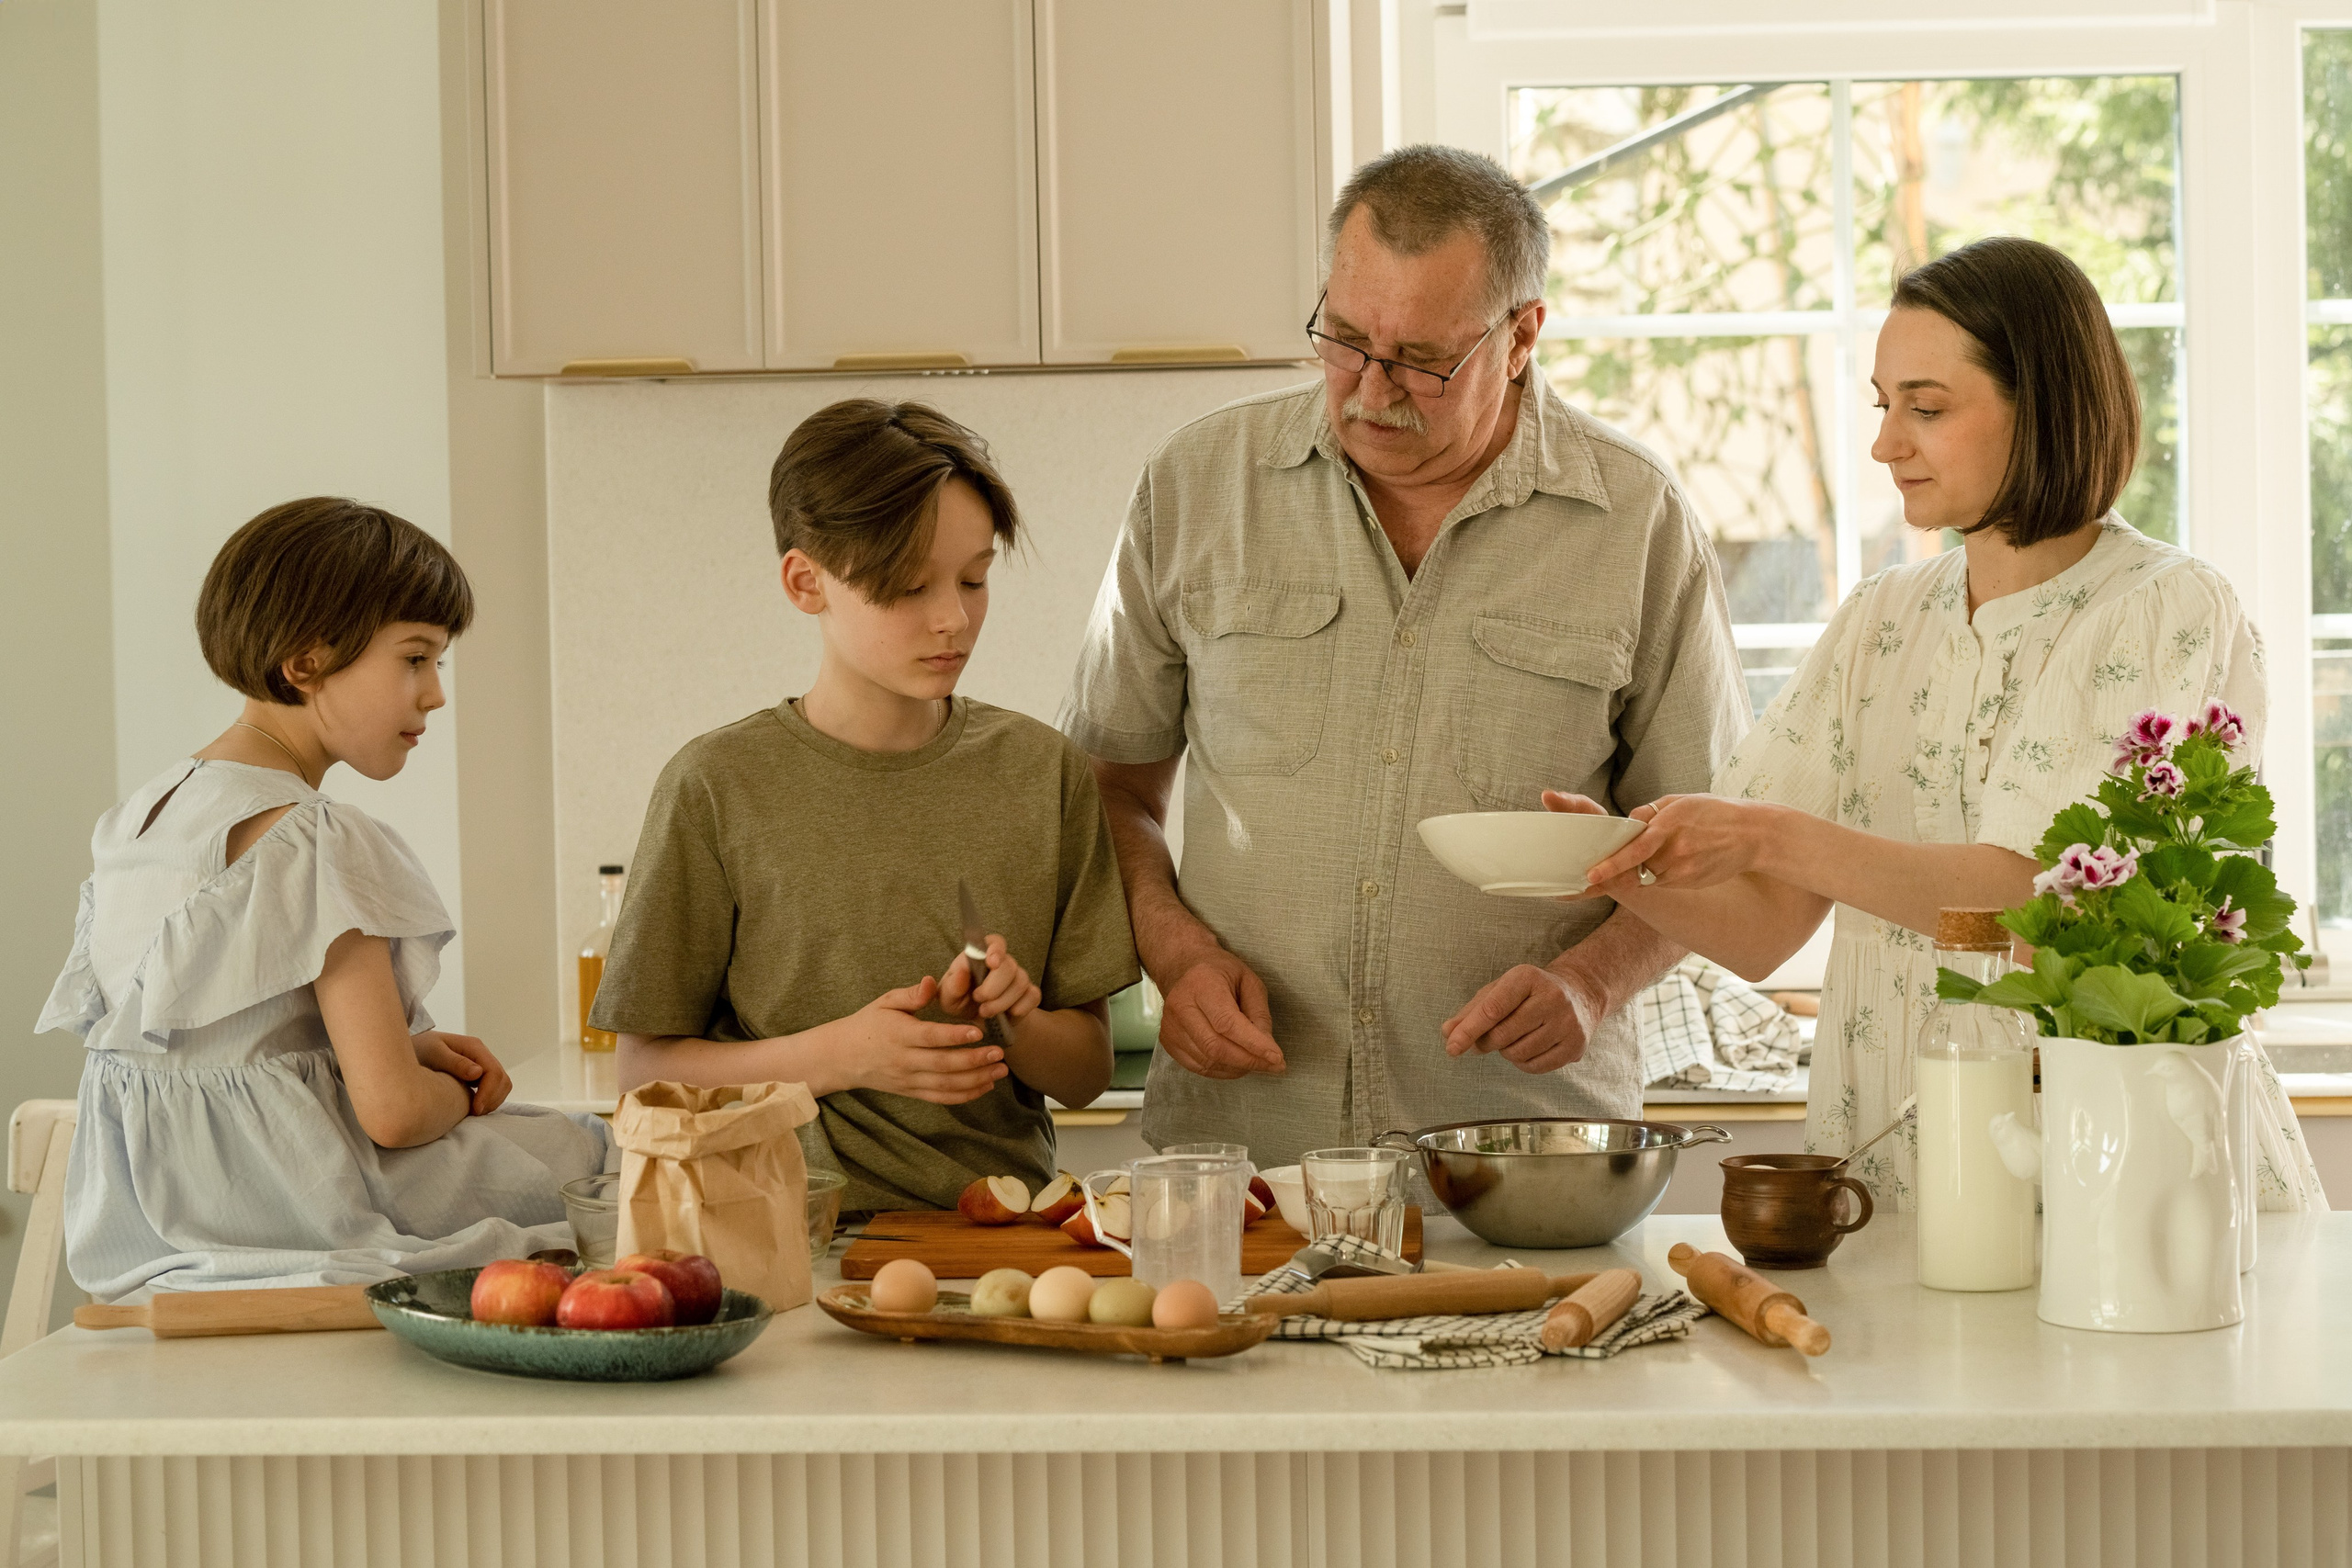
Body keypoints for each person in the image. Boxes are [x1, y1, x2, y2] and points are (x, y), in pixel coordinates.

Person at [1552, 235, 2327, 1210]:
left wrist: (1762, 831)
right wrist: (1597, 857)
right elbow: (1760, 928)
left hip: (2106, 1156)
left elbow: (2020, 904)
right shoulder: (1881, 619)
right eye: (1884, 408)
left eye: (1925, 408)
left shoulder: (2161, 606)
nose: (1885, 444)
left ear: (2041, 404)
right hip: (1903, 1162)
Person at [1062, 146, 1749, 1167]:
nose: (1370, 390)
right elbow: (1106, 787)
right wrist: (1175, 951)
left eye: (1422, 360)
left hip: (1525, 1159)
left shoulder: (1634, 519)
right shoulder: (1197, 486)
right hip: (1247, 1149)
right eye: (1343, 339)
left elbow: (1707, 841)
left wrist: (1592, 982)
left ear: (1521, 337)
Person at [37, 499, 610, 1301]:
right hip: (302, 1209)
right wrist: (465, 1091)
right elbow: (396, 1116)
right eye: (415, 658)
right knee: (604, 1160)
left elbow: (222, 1043)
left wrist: (403, 1046)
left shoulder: (139, 818)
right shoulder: (309, 839)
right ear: (305, 663)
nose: (435, 694)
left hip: (161, 1224)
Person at [594, 400, 1138, 1213]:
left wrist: (1019, 1024)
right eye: (908, 586)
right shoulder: (715, 784)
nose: (953, 617)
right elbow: (642, 1073)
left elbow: (1090, 1072)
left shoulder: (1043, 772)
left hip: (1002, 1238)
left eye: (975, 577)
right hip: (782, 1238)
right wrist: (844, 1054)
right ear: (805, 581)